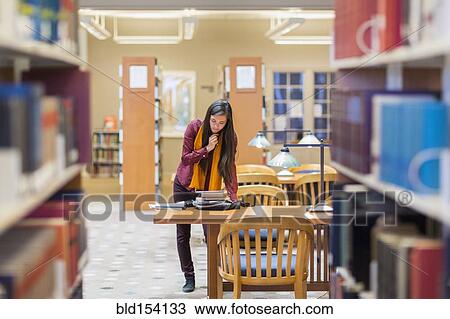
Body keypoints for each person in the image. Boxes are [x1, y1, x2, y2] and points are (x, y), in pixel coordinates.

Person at [172, 99, 238, 293]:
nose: (216, 126)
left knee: (211, 234)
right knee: (183, 234)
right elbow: (185, 159)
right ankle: (189, 278)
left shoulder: (230, 138)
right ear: (208, 116)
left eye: (221, 123)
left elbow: (229, 168)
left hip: (210, 190)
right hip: (185, 185)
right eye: (213, 121)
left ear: (227, 122)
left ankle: (215, 276)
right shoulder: (194, 127)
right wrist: (206, 149)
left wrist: (233, 197)